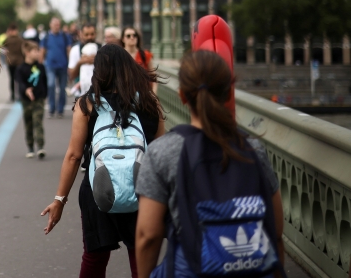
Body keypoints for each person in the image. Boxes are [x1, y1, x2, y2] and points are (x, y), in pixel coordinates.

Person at [135, 51, 283, 277]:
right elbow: (276, 230)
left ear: (182, 95)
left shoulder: (163, 152)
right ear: (227, 93)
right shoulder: (253, 150)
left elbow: (148, 236)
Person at [41, 44, 164, 278]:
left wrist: (59, 200)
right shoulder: (150, 103)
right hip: (142, 189)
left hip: (98, 189)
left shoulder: (87, 104)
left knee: (95, 257)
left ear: (99, 71)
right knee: (140, 255)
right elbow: (161, 152)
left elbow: (74, 155)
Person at [17, 42, 47, 158]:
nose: (38, 53)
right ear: (27, 53)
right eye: (35, 51)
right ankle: (30, 146)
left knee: (37, 121)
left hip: (38, 99)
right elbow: (20, 83)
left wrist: (45, 94)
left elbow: (44, 81)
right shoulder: (20, 68)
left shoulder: (40, 67)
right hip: (26, 101)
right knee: (28, 123)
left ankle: (40, 146)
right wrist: (26, 90)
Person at [41, 17, 72, 118]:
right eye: (54, 24)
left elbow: (68, 50)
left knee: (62, 88)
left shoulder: (64, 36)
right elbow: (42, 50)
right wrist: (40, 64)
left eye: (58, 24)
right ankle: (51, 108)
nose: (56, 26)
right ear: (50, 25)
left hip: (63, 66)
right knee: (51, 85)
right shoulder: (46, 37)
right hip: (50, 65)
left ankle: (60, 109)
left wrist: (70, 65)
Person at [2, 23, 26, 102]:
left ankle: (12, 95)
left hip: (10, 61)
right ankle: (19, 95)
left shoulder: (7, 39)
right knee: (19, 79)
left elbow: (3, 47)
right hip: (19, 62)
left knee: (12, 79)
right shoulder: (20, 39)